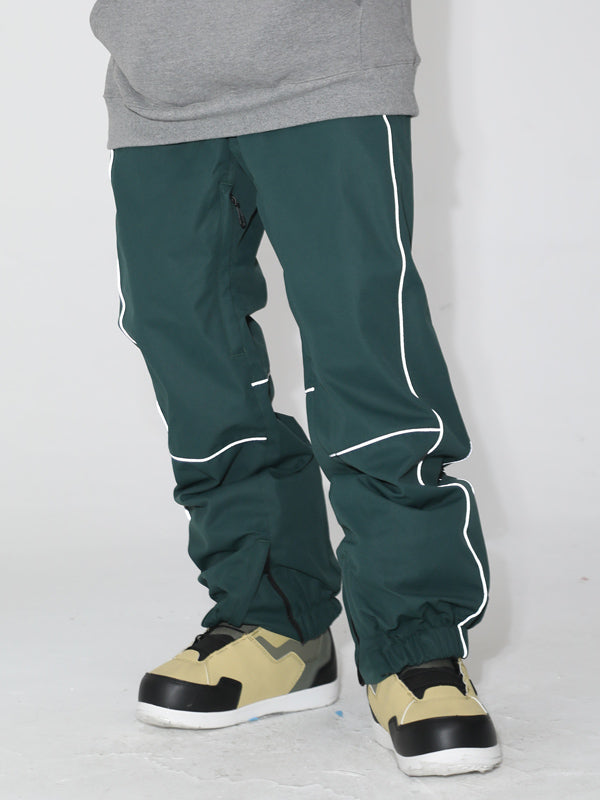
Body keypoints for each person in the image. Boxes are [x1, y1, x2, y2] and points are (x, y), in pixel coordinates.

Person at [89, 0, 502, 777]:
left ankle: (415, 648)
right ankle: (275, 622)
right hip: (157, 81)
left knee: (363, 346)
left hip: (325, 61)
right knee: (185, 342)